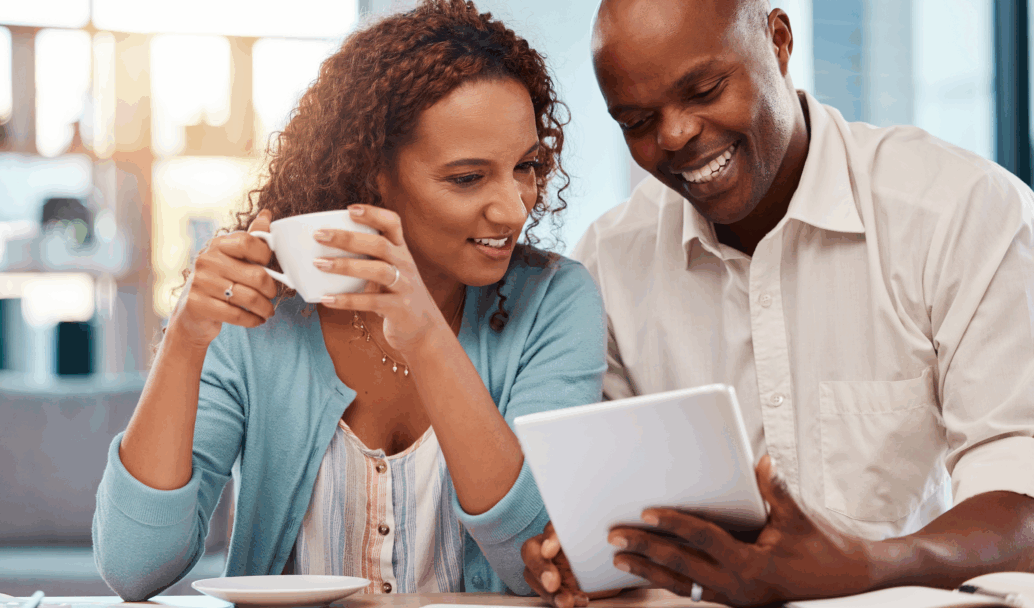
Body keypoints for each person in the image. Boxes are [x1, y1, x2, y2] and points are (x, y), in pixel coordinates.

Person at [521, 0, 1034, 606]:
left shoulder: (961, 212)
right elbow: (613, 518)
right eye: (636, 121)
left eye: (705, 91)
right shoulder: (608, 263)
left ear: (780, 41)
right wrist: (581, 555)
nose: (675, 135)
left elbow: (1022, 513)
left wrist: (862, 567)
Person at [92, 0, 606, 600]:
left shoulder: (554, 301)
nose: (515, 208)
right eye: (468, 178)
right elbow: (134, 568)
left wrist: (426, 338)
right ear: (372, 174)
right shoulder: (263, 313)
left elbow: (540, 562)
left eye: (526, 166)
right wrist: (185, 339)